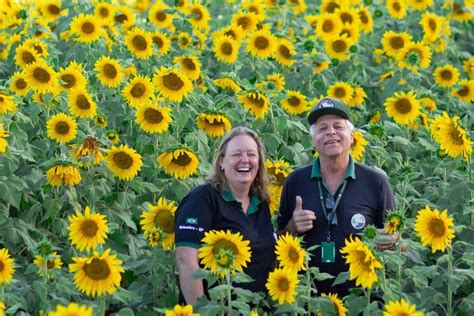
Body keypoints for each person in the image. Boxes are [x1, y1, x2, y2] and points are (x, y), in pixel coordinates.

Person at [277, 98, 397, 296]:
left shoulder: (375, 182)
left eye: (338, 126)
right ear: (313, 140)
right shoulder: (295, 181)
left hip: (361, 297)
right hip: (307, 295)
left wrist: (392, 241)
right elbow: (277, 241)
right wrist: (292, 227)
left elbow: (397, 242)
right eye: (322, 128)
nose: (331, 132)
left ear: (351, 136)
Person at [175, 127, 276, 305]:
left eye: (251, 154)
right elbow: (186, 260)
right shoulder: (202, 199)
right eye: (236, 154)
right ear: (222, 161)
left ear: (259, 162)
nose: (244, 160)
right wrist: (202, 311)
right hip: (218, 308)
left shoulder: (261, 203)